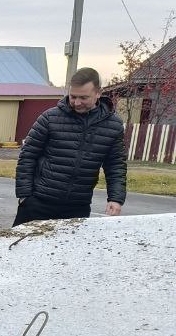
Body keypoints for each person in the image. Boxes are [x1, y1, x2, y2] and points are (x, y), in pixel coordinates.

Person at [14, 67, 126, 226]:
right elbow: (27, 156)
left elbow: (116, 165)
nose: (77, 103)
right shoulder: (50, 118)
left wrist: (116, 198)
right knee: (20, 248)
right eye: (73, 96)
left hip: (77, 207)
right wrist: (25, 196)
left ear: (98, 93)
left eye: (84, 97)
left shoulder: (113, 126)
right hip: (38, 203)